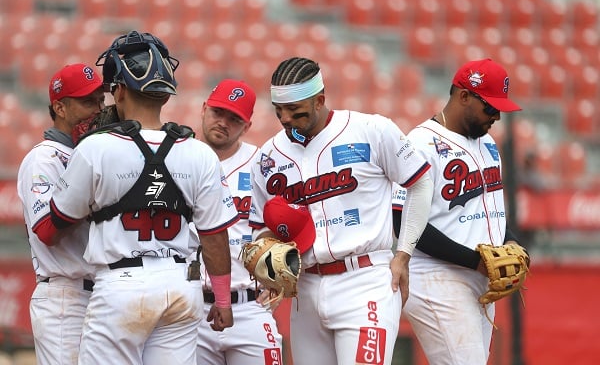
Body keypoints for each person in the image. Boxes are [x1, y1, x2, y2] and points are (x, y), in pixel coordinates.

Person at [46, 31, 237, 365]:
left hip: (120, 285)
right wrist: (222, 299)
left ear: (119, 92)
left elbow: (53, 227)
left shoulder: (96, 147)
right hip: (181, 286)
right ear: (164, 97)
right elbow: (214, 235)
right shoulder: (199, 152)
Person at [247, 56, 434, 365]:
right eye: (279, 111)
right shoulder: (268, 156)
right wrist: (266, 255)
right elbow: (261, 224)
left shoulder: (370, 129)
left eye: (295, 110)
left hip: (363, 280)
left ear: (320, 100)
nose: (286, 119)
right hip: (304, 287)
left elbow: (421, 181)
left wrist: (403, 254)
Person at [394, 58, 525, 364]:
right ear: (464, 96)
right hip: (437, 279)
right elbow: (401, 219)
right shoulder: (419, 144)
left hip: (477, 279)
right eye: (490, 108)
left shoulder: (489, 144)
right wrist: (475, 260)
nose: (495, 116)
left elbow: (491, 210)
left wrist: (512, 241)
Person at [16, 63, 105, 364]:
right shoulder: (43, 158)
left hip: (101, 294)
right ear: (60, 107)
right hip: (65, 297)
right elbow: (47, 230)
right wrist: (88, 191)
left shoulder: (92, 154)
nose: (97, 108)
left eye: (99, 100)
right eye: (86, 101)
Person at [194, 79, 284, 364]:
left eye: (234, 119)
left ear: (246, 127)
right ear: (204, 109)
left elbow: (280, 224)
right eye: (218, 113)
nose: (223, 122)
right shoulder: (179, 159)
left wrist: (276, 275)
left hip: (248, 305)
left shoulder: (262, 165)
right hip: (190, 308)